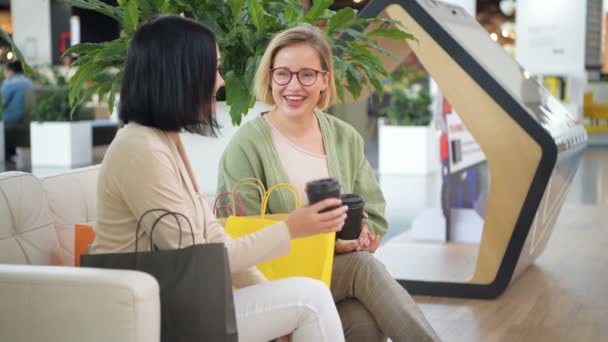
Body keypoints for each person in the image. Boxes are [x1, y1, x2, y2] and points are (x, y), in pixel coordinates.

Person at [92, 16, 346, 342]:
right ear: (181, 75)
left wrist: (274, 308)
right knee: (310, 299)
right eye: (213, 68)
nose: (220, 81)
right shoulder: (140, 150)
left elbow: (211, 240)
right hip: (145, 311)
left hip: (174, 299)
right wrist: (292, 228)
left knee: (308, 298)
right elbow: (202, 259)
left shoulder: (163, 141)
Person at [217, 24, 440, 342]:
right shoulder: (247, 145)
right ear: (270, 77)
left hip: (335, 272)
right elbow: (244, 238)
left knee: (363, 322)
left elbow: (372, 209)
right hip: (276, 276)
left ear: (324, 79)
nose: (293, 85)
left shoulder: (343, 136)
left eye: (306, 74)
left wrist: (365, 234)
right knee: (363, 269)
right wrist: (326, 244)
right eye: (283, 74)